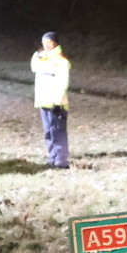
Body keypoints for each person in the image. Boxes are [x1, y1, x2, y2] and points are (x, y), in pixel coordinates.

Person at [30, 31, 70, 168]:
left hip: (55, 103)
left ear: (55, 43)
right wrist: (37, 54)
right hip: (43, 101)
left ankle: (61, 160)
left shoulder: (61, 60)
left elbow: (63, 82)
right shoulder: (42, 59)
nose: (47, 46)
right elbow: (34, 67)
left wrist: (58, 102)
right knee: (48, 132)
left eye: (49, 43)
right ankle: (52, 157)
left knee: (58, 131)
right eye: (44, 43)